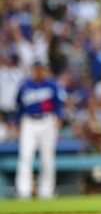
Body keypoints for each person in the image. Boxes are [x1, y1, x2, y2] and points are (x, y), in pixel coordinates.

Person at [15, 60, 65, 199]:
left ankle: (46, 192)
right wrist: (17, 124)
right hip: (29, 122)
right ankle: (23, 191)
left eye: (41, 69)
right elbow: (18, 106)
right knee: (25, 156)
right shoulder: (25, 85)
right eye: (37, 69)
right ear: (33, 70)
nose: (39, 71)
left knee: (47, 158)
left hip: (47, 121)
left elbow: (58, 105)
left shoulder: (51, 85)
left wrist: (58, 121)